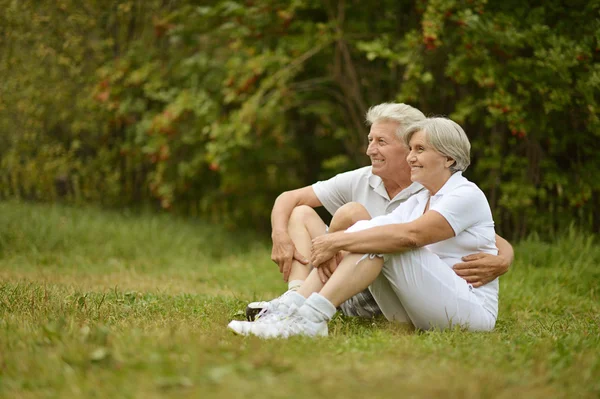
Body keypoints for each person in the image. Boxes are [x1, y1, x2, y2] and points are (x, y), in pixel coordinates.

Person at [229, 117, 500, 337]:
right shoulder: (421, 199)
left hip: (470, 311)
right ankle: (293, 310)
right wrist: (340, 239)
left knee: (382, 242)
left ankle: (310, 319)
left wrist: (337, 242)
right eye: (411, 149)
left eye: (420, 150)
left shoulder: (466, 194)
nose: (410, 158)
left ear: (449, 159)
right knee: (371, 236)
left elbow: (412, 236)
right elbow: (375, 227)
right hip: (420, 310)